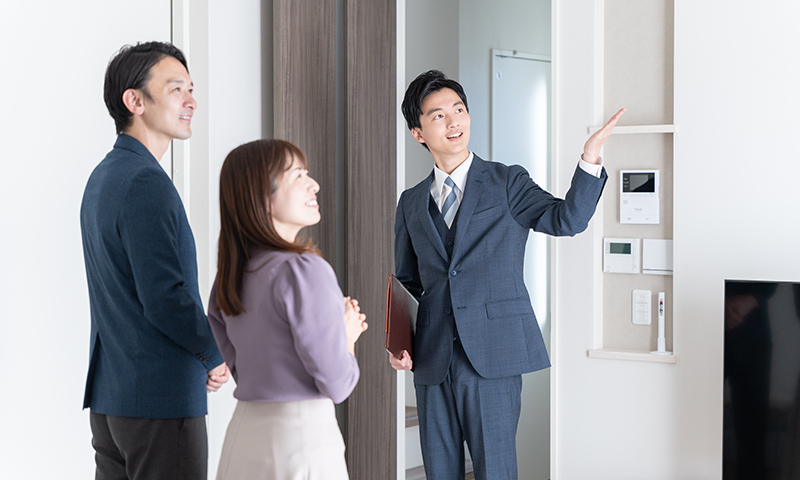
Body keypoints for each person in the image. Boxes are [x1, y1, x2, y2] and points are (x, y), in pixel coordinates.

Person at [390, 69, 624, 479]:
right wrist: (400, 344)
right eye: (438, 115)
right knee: (438, 471)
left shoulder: (507, 181)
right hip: (431, 358)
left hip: (492, 356)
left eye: (458, 110)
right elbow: (407, 282)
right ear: (418, 132)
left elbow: (566, 220)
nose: (453, 121)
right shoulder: (411, 202)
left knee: (495, 470)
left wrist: (590, 158)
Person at [80, 41, 230, 480]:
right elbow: (165, 296)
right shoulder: (146, 181)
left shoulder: (104, 177)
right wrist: (213, 353)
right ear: (135, 101)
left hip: (113, 400)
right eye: (176, 88)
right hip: (159, 402)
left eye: (191, 89)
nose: (191, 101)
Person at [208, 139, 368, 480]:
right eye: (298, 175)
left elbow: (242, 369)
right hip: (301, 440)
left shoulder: (229, 277)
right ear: (262, 197)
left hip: (243, 437)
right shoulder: (304, 270)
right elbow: (338, 385)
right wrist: (347, 336)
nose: (314, 184)